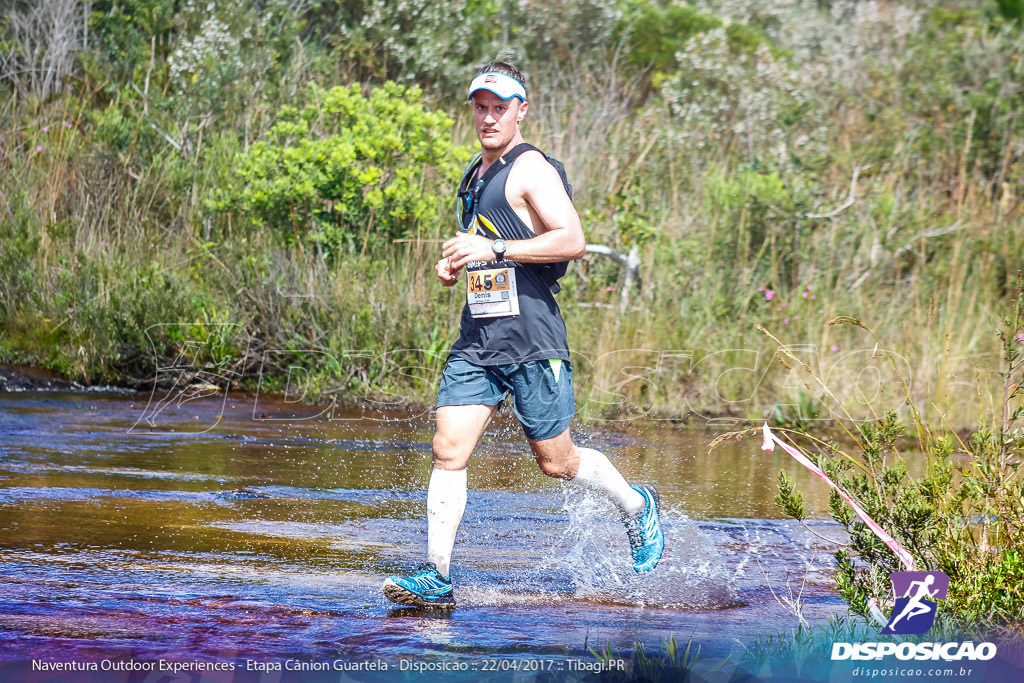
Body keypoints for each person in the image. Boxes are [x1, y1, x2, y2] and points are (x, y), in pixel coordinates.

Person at [382, 60, 664, 609]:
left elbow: (572, 239)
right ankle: (437, 577)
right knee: (448, 448)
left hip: (532, 336)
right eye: (480, 107)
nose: (488, 117)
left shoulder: (530, 167)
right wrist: (460, 261)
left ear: (521, 110)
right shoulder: (475, 172)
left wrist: (496, 250)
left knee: (556, 462)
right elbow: (487, 242)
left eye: (500, 107)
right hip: (480, 338)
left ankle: (636, 507)